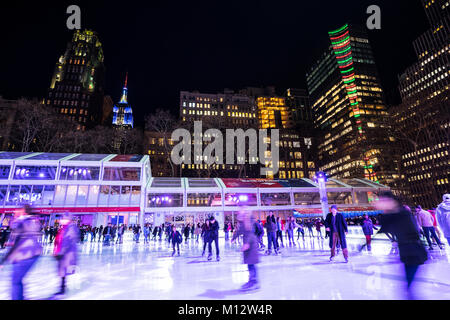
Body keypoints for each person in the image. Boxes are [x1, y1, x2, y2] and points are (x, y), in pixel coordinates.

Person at [376, 191, 428, 299]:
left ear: (391, 201)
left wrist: (387, 210)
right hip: (407, 252)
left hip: (414, 251)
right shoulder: (396, 213)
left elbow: (389, 225)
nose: (380, 203)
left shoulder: (402, 213)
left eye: (383, 200)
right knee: (408, 286)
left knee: (408, 286)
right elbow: (385, 227)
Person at [0, 205, 42, 300]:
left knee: (15, 281)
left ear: (23, 212)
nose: (15, 211)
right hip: (32, 254)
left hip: (24, 255)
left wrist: (3, 261)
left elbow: (16, 242)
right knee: (18, 280)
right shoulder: (32, 221)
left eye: (17, 210)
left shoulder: (21, 223)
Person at [232, 209, 260, 291]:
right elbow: (239, 231)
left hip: (251, 246)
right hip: (248, 247)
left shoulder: (250, 222)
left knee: (252, 264)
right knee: (250, 264)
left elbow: (251, 234)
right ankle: (252, 281)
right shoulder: (244, 223)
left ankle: (254, 282)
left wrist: (247, 244)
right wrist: (234, 238)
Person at [53, 212, 79, 297]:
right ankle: (62, 287)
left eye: (64, 218)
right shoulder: (65, 227)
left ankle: (62, 289)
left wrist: (62, 251)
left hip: (67, 253)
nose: (62, 220)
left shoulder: (70, 227)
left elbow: (68, 240)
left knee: (63, 270)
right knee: (62, 270)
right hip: (63, 252)